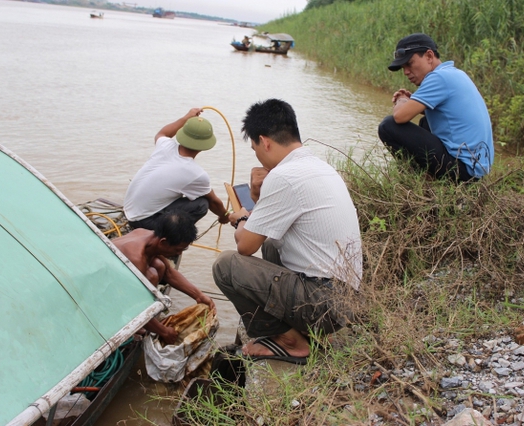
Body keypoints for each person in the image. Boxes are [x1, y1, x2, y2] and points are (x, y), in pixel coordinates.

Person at [212, 99, 363, 364]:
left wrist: (242, 219)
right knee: (272, 243)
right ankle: (301, 330)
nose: (257, 156)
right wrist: (259, 201)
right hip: (345, 302)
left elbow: (245, 247)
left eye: (255, 148)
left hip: (323, 306)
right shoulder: (320, 166)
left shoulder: (283, 177)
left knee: (226, 266)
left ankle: (289, 340)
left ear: (265, 142)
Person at [377, 33, 494, 182]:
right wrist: (412, 101)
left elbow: (399, 117)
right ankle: (428, 178)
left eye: (410, 64)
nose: (406, 72)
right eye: (403, 67)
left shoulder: (438, 78)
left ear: (429, 56)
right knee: (426, 122)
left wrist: (401, 99)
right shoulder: (454, 73)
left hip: (462, 172)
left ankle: (416, 180)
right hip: (475, 170)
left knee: (388, 126)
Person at [113, 211, 216, 345]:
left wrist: (199, 296)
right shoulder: (136, 258)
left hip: (123, 279)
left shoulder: (146, 235)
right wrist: (163, 331)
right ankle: (136, 326)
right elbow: (131, 305)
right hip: (103, 288)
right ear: (163, 242)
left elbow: (168, 272)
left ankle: (149, 319)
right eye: (178, 249)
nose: (179, 253)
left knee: (160, 266)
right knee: (151, 275)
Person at [123, 108, 230, 230]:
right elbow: (214, 202)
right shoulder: (196, 174)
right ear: (205, 146)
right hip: (143, 221)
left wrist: (186, 117)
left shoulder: (165, 145)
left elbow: (162, 133)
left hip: (129, 210)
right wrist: (224, 216)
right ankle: (172, 240)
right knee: (202, 204)